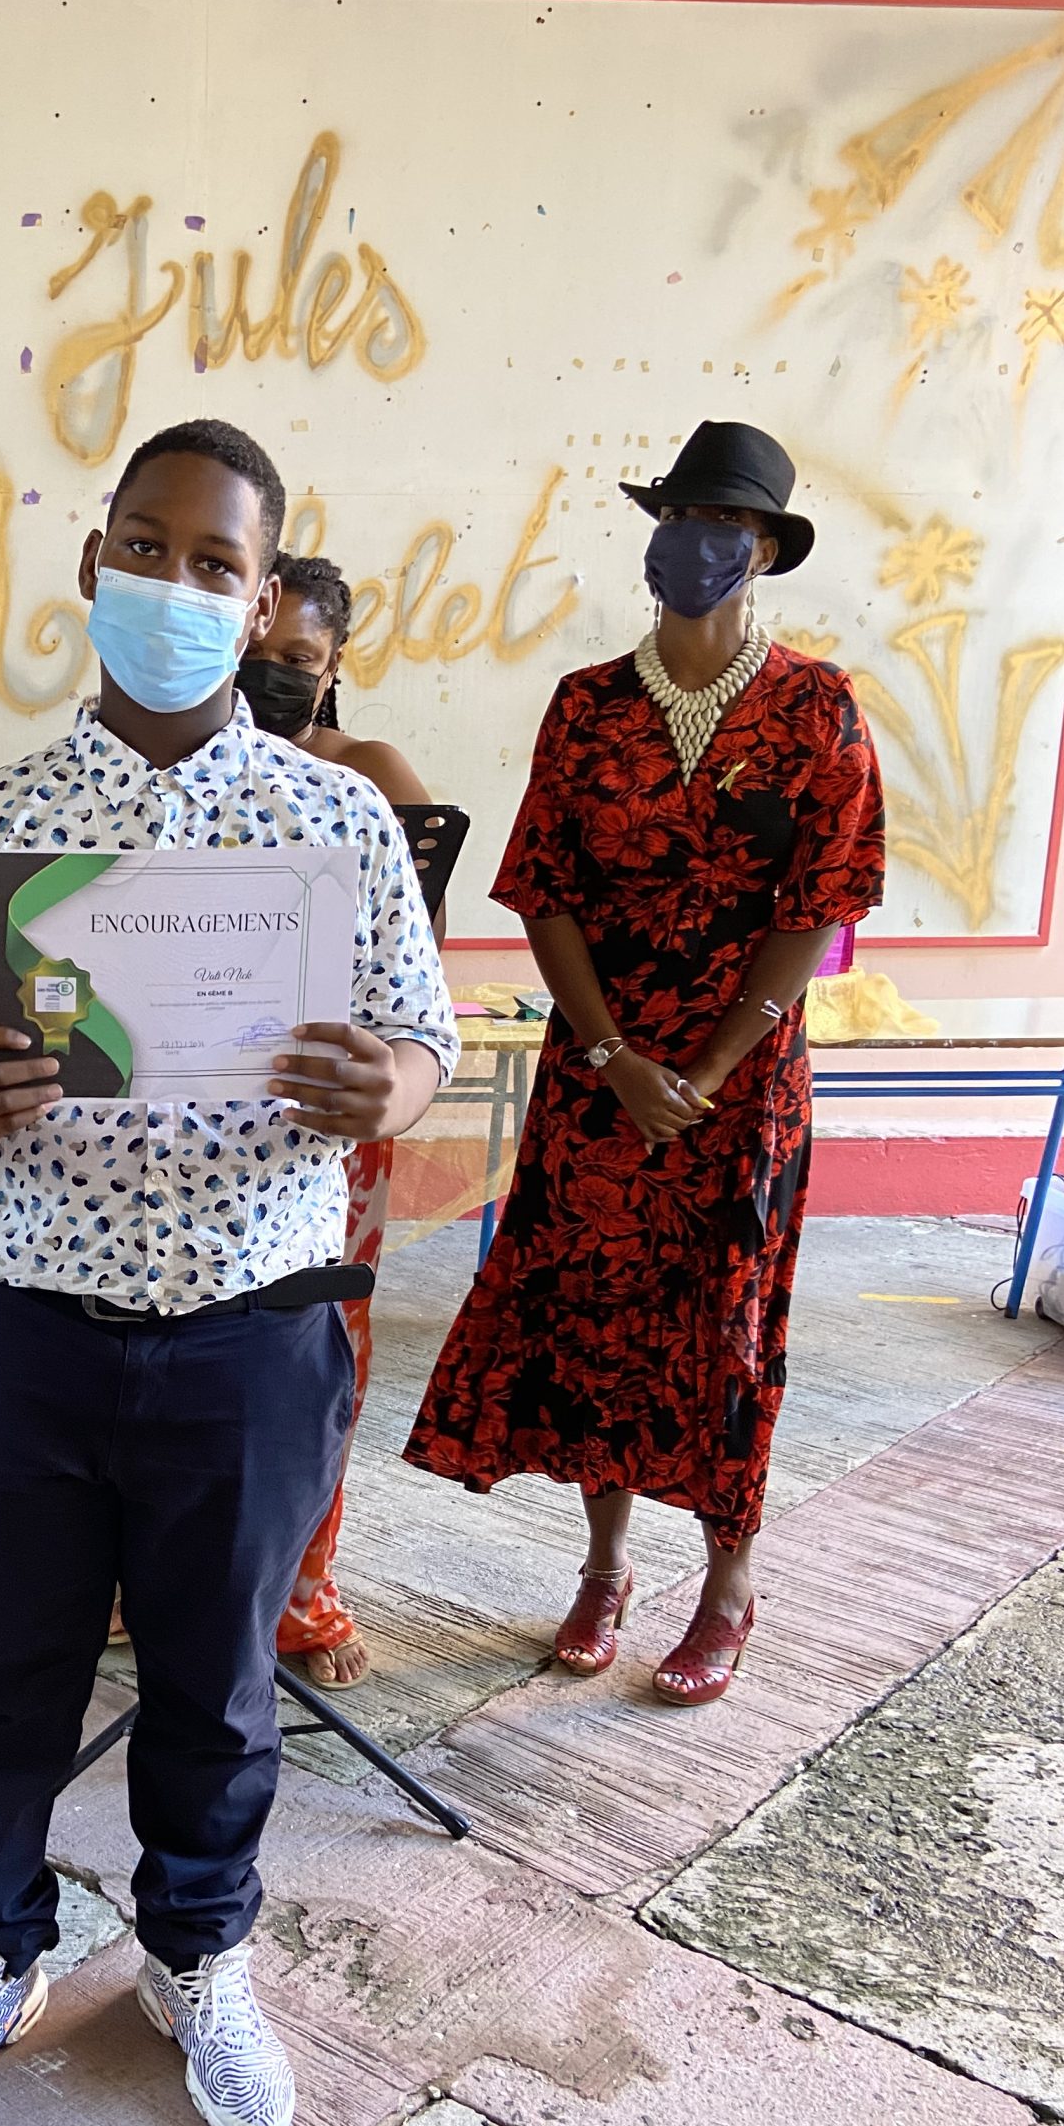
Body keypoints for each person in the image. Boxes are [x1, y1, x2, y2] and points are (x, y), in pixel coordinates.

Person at [0, 417, 458, 2126]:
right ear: (94, 563)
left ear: (264, 604)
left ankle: (198, 1954)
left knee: (217, 1684)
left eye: (218, 564)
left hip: (249, 1330)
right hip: (23, 1320)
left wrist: (385, 1090)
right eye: (148, 547)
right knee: (2, 1680)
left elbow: (421, 1039)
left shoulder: (337, 821)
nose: (177, 586)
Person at [407, 420, 884, 1705]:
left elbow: (821, 905)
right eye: (677, 515)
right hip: (598, 1071)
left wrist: (714, 1066)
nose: (693, 540)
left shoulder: (819, 708)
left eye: (723, 523)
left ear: (765, 550)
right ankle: (605, 1567)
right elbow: (544, 888)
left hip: (744, 1084)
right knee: (595, 1317)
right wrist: (613, 1052)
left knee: (726, 1328)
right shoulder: (588, 705)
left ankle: (728, 1582)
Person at [237, 550, 436, 1689]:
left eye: (299, 658)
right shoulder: (167, 765)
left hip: (331, 1111)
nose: (274, 673)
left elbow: (414, 980)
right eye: (259, 652)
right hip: (198, 1109)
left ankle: (303, 1594)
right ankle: (144, 1582)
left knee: (318, 1352)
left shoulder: (373, 777)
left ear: (334, 664)